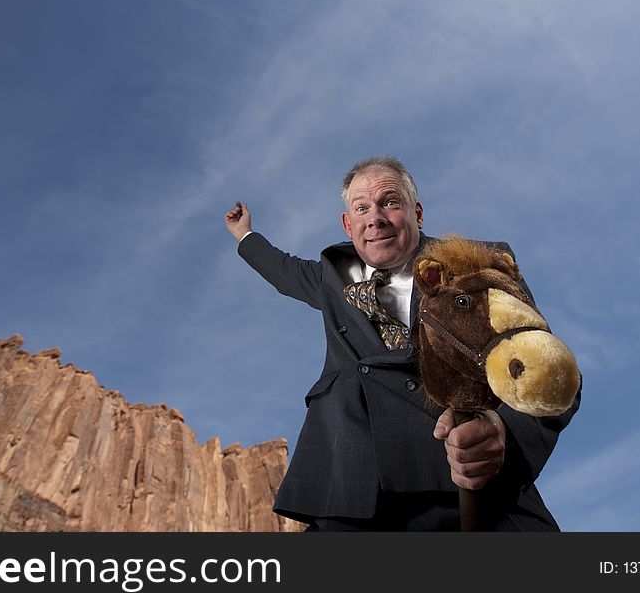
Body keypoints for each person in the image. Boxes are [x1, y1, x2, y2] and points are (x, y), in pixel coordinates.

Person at [223, 155, 580, 531]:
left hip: (468, 489)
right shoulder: (331, 278)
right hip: (354, 494)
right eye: (361, 208)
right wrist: (244, 234)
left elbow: (551, 374)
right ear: (348, 224)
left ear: (418, 213)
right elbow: (282, 269)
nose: (375, 218)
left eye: (390, 202)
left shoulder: (478, 265)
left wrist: (503, 434)